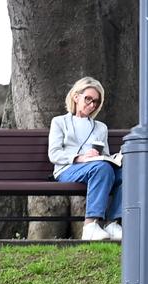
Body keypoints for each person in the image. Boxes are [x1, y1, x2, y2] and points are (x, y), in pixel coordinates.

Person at [48, 76, 123, 241]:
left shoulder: (100, 127)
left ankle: (111, 223)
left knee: (126, 173)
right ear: (76, 97)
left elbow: (106, 155)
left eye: (96, 101)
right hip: (67, 169)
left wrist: (115, 158)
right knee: (102, 168)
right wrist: (80, 158)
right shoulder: (60, 122)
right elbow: (54, 154)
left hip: (97, 169)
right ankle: (90, 225)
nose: (92, 104)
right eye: (88, 98)